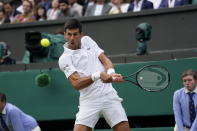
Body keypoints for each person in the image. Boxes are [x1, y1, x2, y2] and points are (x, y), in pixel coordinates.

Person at [58, 19, 130, 131]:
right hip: (89, 101)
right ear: (65, 35)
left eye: (75, 34)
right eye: (69, 34)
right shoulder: (64, 59)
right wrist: (98, 75)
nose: (72, 38)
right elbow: (76, 83)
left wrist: (111, 73)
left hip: (108, 95)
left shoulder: (87, 40)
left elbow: (104, 59)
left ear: (81, 35)